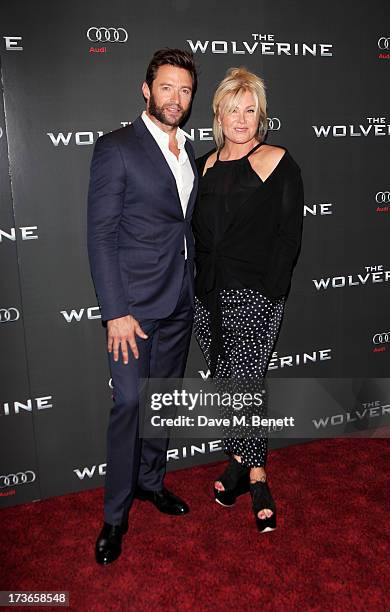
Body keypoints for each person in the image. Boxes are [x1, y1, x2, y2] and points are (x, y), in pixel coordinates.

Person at [87, 48, 198, 564]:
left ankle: (152, 482)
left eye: (186, 90)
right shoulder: (117, 147)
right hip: (133, 307)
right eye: (167, 87)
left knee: (162, 401)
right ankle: (114, 516)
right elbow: (101, 234)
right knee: (130, 403)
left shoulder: (190, 149)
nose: (176, 98)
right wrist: (115, 311)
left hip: (179, 298)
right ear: (146, 89)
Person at [192, 67, 304, 533]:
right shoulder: (202, 165)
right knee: (225, 385)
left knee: (246, 388)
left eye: (250, 109)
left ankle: (257, 476)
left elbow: (288, 235)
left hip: (254, 294)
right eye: (233, 108)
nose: (242, 118)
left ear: (261, 116)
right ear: (218, 112)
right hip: (207, 295)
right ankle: (239, 462)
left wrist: (269, 295)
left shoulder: (279, 161)